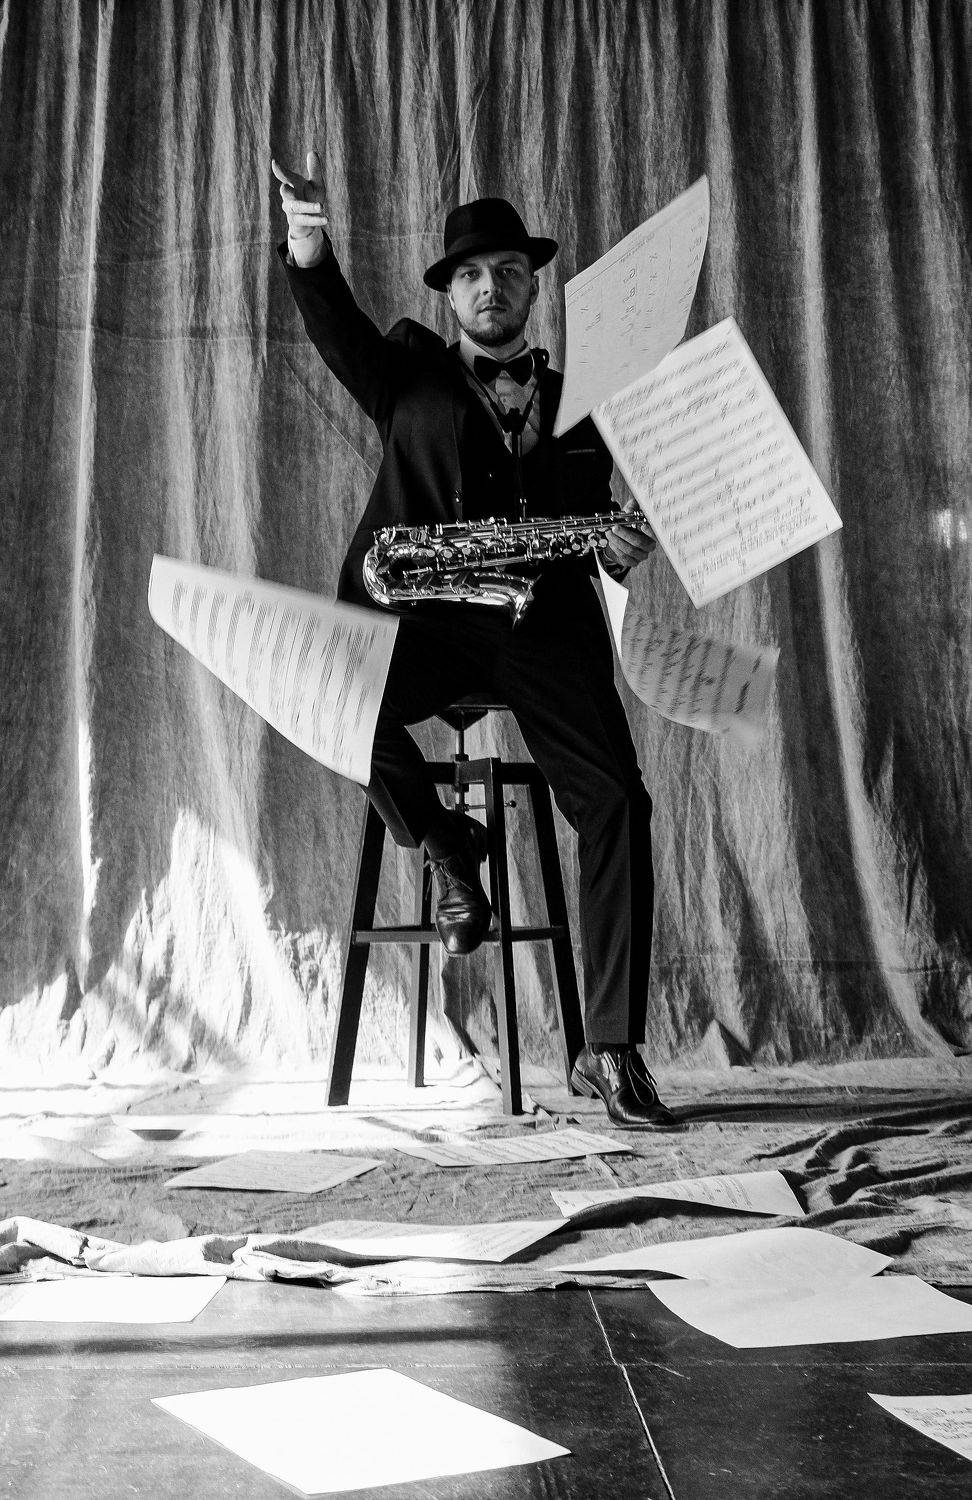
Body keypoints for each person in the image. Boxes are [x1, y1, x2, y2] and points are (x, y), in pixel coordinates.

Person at [272, 149, 676, 1128]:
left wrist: (621, 552)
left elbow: (593, 535)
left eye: (507, 271)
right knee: (327, 697)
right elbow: (334, 323)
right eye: (470, 275)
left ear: (532, 288)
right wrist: (309, 238)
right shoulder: (405, 373)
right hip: (427, 623)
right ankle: (451, 849)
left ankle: (610, 1050)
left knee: (618, 800)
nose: (489, 287)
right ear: (449, 295)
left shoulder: (580, 402)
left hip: (545, 629)